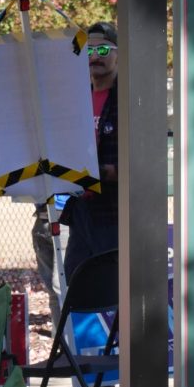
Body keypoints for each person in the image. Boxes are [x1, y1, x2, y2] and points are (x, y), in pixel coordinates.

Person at [60, 21, 120, 282]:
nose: (95, 57)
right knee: (76, 286)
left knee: (114, 292)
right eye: (89, 51)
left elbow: (143, 165)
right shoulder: (76, 100)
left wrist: (99, 172)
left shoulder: (130, 100)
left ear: (120, 55)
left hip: (114, 213)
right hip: (81, 211)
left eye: (104, 51)